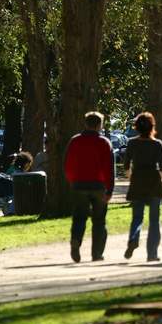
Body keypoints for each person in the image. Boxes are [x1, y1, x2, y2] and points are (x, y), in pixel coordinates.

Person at [123, 112, 162, 262]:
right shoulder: (157, 144)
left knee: (137, 218)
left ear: (136, 127)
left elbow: (126, 165)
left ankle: (133, 238)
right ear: (152, 126)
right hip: (154, 182)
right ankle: (152, 253)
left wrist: (132, 178)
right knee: (154, 220)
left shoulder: (132, 143)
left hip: (138, 181)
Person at [64, 111, 114, 263]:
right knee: (99, 220)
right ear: (100, 125)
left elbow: (68, 164)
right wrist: (110, 189)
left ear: (85, 124)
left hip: (79, 184)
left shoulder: (75, 141)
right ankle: (97, 253)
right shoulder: (104, 143)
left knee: (79, 217)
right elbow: (109, 169)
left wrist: (72, 180)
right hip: (98, 185)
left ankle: (76, 240)